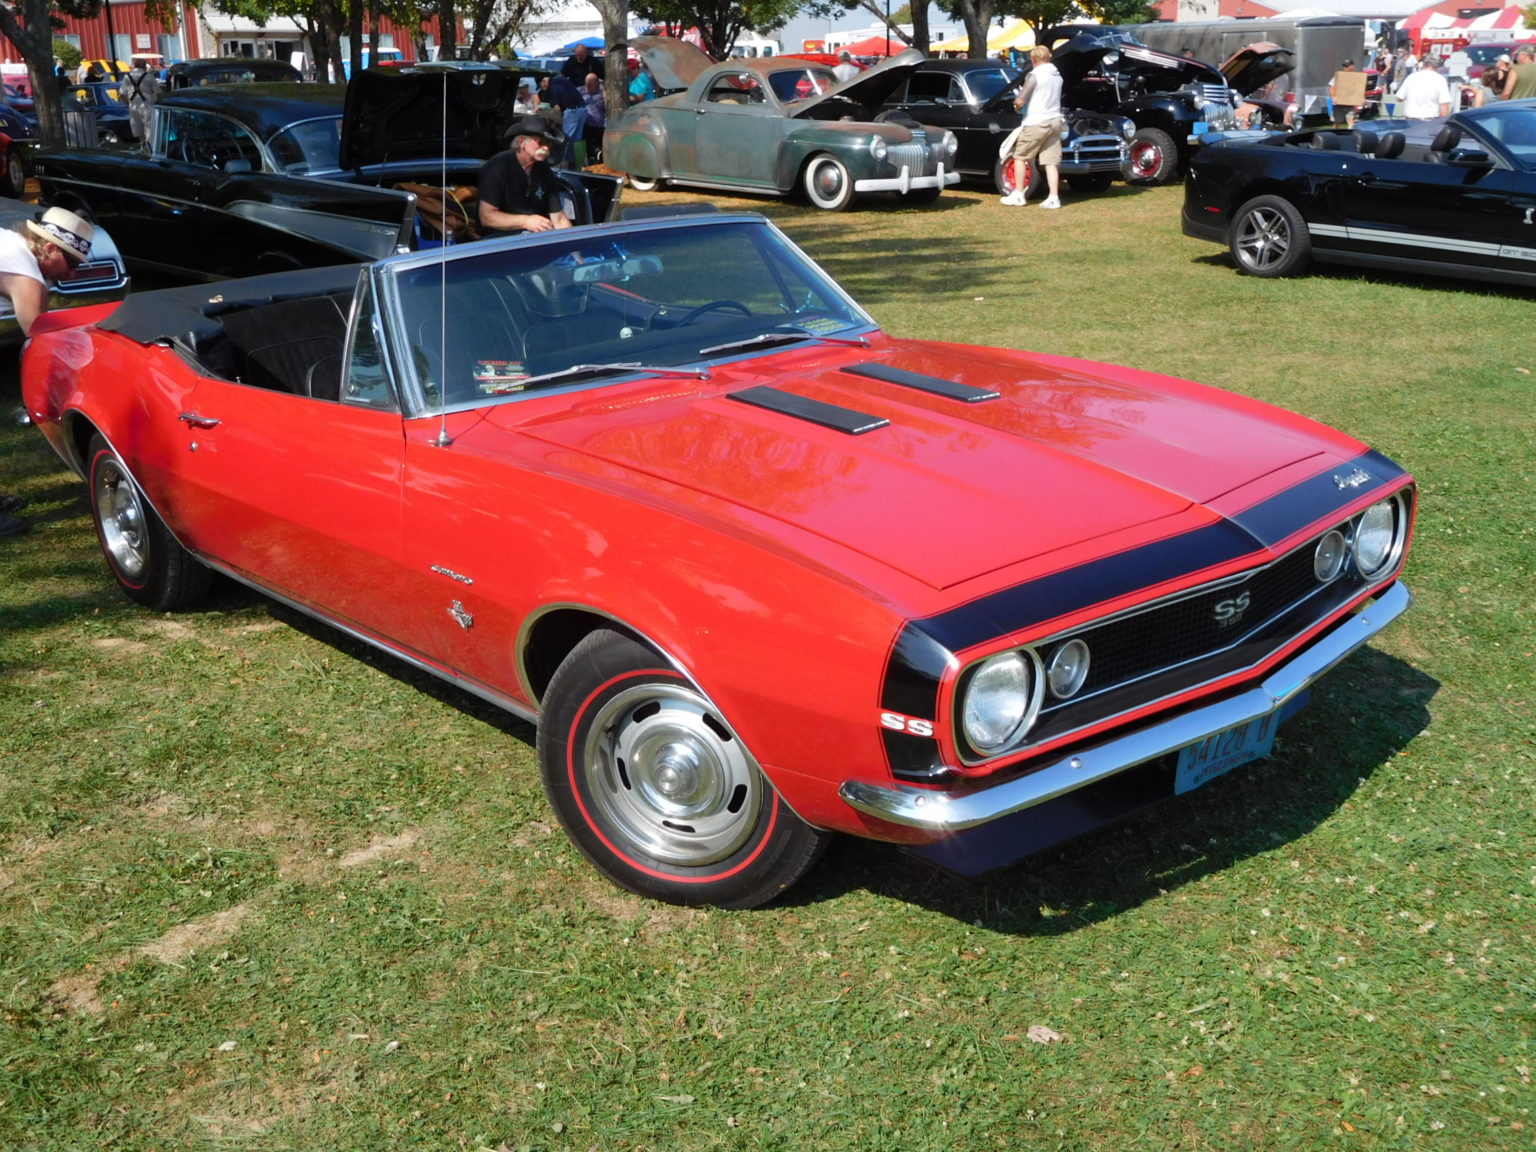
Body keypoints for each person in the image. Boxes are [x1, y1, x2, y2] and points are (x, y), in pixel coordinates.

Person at [0, 207, 95, 538]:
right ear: (50, 247)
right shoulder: (28, 277)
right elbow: (41, 346)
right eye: (70, 263)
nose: (70, 275)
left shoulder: (11, 244)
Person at [477, 115, 573, 236]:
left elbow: (558, 218)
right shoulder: (497, 166)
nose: (546, 148)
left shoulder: (544, 170)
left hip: (533, 236)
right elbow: (487, 217)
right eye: (541, 142)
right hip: (496, 241)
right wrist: (526, 221)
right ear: (522, 142)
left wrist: (575, 249)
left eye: (549, 144)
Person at [1003, 44, 1063, 210]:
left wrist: (1016, 105)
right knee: (1051, 161)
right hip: (1055, 119)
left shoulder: (1035, 75)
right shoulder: (1057, 75)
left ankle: (1019, 194)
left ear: (1034, 59)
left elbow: (1021, 99)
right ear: (1049, 57)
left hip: (1037, 120)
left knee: (1020, 156)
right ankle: (1053, 197)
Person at [1397, 55, 1451, 120]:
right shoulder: (1440, 79)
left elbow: (1399, 98)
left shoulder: (1411, 77)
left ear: (1423, 64)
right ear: (1437, 66)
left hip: (1410, 120)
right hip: (1430, 120)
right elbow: (1444, 105)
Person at [118, 57, 159, 141]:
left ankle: (143, 149)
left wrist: (128, 104)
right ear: (144, 66)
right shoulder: (149, 76)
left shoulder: (127, 77)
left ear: (134, 66)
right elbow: (158, 93)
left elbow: (121, 94)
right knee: (150, 133)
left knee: (139, 134)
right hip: (147, 106)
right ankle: (150, 151)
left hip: (133, 107)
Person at [1328, 59, 1361, 126]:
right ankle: (1335, 135)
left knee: (1350, 121)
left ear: (1352, 66)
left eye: (1347, 66)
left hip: (1350, 104)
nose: (1345, 68)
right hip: (1338, 103)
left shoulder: (1355, 77)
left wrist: (1359, 101)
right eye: (1345, 66)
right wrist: (1333, 97)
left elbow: (1358, 90)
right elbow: (1331, 88)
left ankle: (1351, 135)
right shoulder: (1338, 75)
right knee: (1336, 122)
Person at [581, 73, 606, 164]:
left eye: (590, 84)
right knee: (588, 145)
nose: (588, 86)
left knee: (601, 145)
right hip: (587, 125)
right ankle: (591, 159)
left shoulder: (602, 95)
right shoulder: (581, 93)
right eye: (587, 84)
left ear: (596, 84)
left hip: (599, 125)